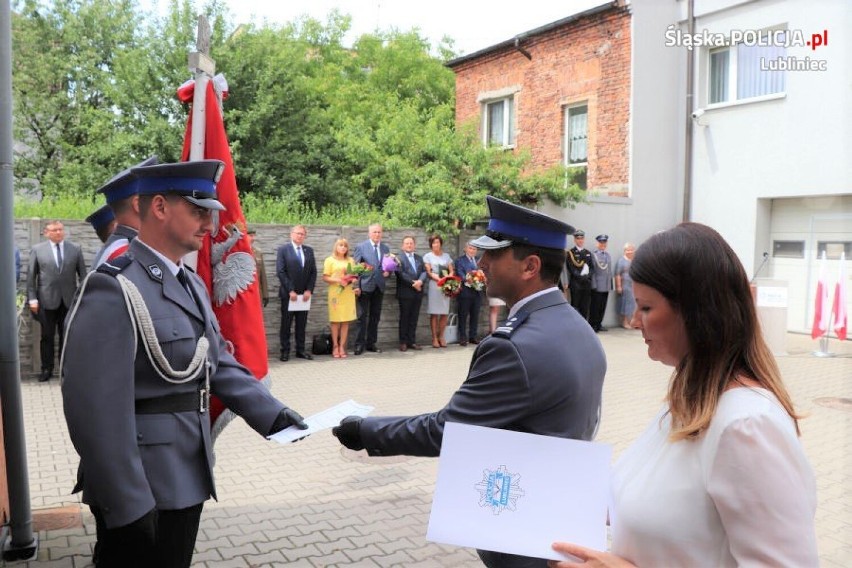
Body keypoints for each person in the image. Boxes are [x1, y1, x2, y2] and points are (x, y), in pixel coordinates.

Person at [333, 195, 606, 568]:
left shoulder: (515, 346)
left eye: (494, 255)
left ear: (530, 266)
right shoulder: (579, 327)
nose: (481, 263)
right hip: (558, 520)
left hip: (521, 533)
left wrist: (365, 432)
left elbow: (446, 430)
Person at [61, 160, 308, 568]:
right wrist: (127, 501)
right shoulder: (113, 285)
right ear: (159, 208)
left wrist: (273, 414)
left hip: (187, 474)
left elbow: (217, 362)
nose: (210, 224)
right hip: (142, 484)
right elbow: (94, 409)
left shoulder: (189, 282)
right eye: (198, 211)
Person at [550, 223, 817, 568]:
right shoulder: (692, 399)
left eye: (646, 308)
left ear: (697, 313)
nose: (633, 322)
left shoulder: (747, 426)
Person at [27, 220, 87, 382]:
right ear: (46, 233)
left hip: (69, 301)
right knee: (47, 337)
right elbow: (31, 278)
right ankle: (46, 369)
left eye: (61, 229)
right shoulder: (38, 250)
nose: (59, 232)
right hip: (46, 301)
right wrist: (32, 299)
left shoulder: (75, 249)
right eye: (55, 230)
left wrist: (82, 298)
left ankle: (64, 369)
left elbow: (83, 276)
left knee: (66, 336)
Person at [92, 156, 158, 269]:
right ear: (138, 205)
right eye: (157, 199)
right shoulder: (127, 255)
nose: (162, 206)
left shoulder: (120, 249)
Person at [276, 225, 317, 361]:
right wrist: (290, 290)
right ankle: (285, 351)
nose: (300, 236)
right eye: (298, 233)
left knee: (301, 324)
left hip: (304, 296)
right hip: (289, 295)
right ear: (291, 234)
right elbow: (281, 272)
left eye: (302, 234)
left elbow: (313, 272)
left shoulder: (309, 251)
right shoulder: (283, 250)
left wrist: (309, 290)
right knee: (286, 324)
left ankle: (300, 350)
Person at [352, 223, 390, 355]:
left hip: (379, 286)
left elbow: (388, 267)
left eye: (379, 232)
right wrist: (356, 286)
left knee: (375, 317)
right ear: (369, 233)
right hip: (365, 286)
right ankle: (358, 345)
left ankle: (371, 343)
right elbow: (355, 269)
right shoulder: (361, 247)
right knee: (361, 317)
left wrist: (388, 273)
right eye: (374, 232)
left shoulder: (385, 248)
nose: (377, 234)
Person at [322, 238, 359, 358]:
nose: (343, 247)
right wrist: (339, 280)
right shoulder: (329, 260)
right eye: (340, 245)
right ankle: (335, 346)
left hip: (348, 293)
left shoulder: (351, 260)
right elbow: (326, 277)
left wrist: (353, 280)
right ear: (336, 247)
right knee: (335, 321)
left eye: (345, 246)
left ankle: (342, 346)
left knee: (345, 320)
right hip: (335, 293)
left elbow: (353, 276)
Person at [395, 235, 427, 351]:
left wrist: (420, 281)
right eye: (407, 243)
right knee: (404, 318)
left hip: (418, 293)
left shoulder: (419, 258)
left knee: (414, 318)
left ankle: (411, 341)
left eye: (411, 243)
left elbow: (424, 272)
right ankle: (403, 342)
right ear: (402, 246)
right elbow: (401, 274)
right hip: (405, 293)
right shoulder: (399, 259)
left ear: (414, 245)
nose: (409, 245)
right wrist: (414, 284)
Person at [423, 234, 454, 348]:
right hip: (434, 286)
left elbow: (451, 270)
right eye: (434, 242)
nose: (436, 244)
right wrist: (440, 279)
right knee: (434, 313)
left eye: (438, 242)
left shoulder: (446, 256)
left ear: (441, 243)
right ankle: (434, 338)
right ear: (431, 244)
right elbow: (429, 272)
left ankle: (441, 336)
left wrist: (448, 279)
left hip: (446, 286)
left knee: (444, 313)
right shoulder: (427, 256)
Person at [455, 241, 483, 346]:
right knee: (463, 315)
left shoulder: (479, 261)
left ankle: (473, 337)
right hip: (465, 293)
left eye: (474, 249)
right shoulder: (459, 260)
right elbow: (460, 273)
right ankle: (462, 337)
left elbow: (482, 273)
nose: (472, 251)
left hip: (477, 293)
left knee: (475, 315)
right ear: (466, 249)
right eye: (470, 248)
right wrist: (468, 279)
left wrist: (482, 278)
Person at [566, 229, 594, 322]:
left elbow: (592, 268)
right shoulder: (571, 253)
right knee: (575, 306)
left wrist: (587, 277)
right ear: (575, 240)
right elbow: (571, 268)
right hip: (576, 284)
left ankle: (584, 324)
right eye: (578, 238)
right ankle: (576, 325)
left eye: (582, 238)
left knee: (585, 306)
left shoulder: (588, 253)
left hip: (586, 283)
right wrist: (581, 277)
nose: (580, 240)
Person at [588, 234, 613, 332]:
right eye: (601, 242)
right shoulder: (594, 255)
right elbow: (593, 271)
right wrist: (593, 285)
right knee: (595, 306)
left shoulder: (608, 255)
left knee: (603, 306)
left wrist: (610, 285)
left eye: (604, 242)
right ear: (597, 243)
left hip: (606, 285)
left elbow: (609, 272)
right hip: (597, 285)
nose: (603, 244)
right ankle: (593, 324)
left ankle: (599, 323)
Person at [614, 242, 635, 329]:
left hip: (633, 285)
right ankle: (625, 322)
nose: (629, 252)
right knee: (625, 303)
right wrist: (619, 286)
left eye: (631, 250)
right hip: (625, 285)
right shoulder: (621, 261)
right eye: (627, 250)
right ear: (624, 251)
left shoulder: (634, 260)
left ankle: (630, 322)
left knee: (632, 304)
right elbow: (617, 274)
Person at [247, 227, 269, 308]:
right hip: (245, 293)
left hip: (257, 293)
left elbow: (262, 274)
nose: (253, 238)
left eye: (254, 236)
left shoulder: (258, 252)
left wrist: (265, 294)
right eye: (250, 236)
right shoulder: (239, 252)